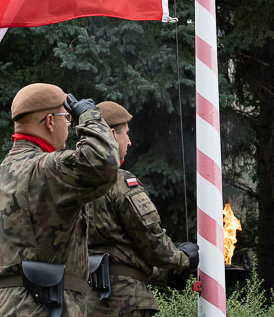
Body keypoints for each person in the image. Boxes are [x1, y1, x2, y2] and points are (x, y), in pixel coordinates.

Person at [0, 83, 120, 317]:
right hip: (44, 307)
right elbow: (104, 164)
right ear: (51, 121)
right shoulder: (46, 169)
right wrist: (89, 116)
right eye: (67, 118)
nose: (69, 125)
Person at [85, 101, 198, 317]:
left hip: (83, 302)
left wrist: (163, 276)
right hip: (125, 302)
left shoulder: (69, 185)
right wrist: (184, 259)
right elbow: (151, 241)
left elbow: (112, 253)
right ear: (110, 134)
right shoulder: (120, 182)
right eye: (125, 134)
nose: (129, 141)